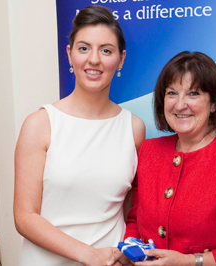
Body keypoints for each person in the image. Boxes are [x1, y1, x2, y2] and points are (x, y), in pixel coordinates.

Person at [107, 51, 216, 266]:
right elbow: (135, 220)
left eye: (193, 93)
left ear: (213, 104)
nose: (180, 104)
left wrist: (190, 261)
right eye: (171, 93)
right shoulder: (150, 151)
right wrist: (128, 251)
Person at [14, 5, 145, 266]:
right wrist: (88, 255)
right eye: (84, 48)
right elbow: (25, 216)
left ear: (120, 59)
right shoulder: (40, 123)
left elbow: (131, 210)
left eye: (106, 50)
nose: (94, 59)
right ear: (70, 54)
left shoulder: (133, 127)